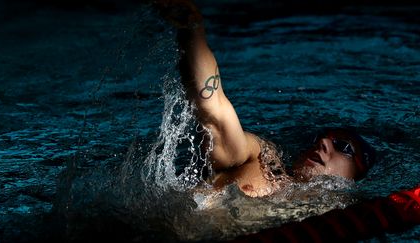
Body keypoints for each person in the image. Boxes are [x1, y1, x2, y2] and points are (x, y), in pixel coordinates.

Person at [153, 0, 376, 197]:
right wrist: (193, 29)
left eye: (343, 146)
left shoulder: (338, 217)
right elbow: (214, 112)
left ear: (356, 175)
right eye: (323, 137)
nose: (323, 142)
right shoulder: (263, 160)